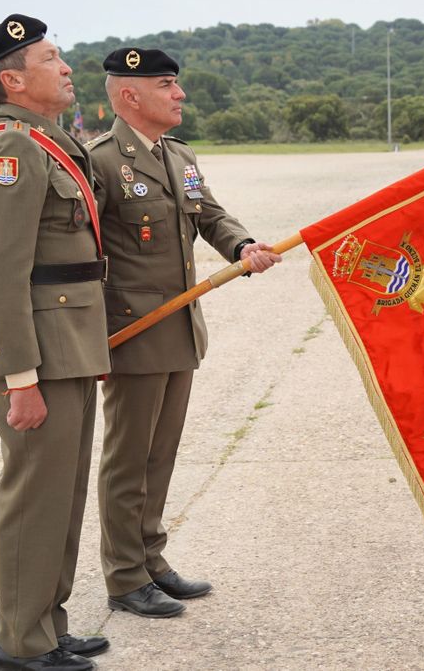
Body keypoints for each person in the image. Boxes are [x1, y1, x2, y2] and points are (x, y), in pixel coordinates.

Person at [87, 48, 281, 618]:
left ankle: (151, 560)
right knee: (129, 459)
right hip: (132, 332)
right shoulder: (100, 160)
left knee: (159, 456)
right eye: (167, 84)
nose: (180, 95)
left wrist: (242, 246)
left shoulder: (178, 155)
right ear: (130, 96)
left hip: (178, 327)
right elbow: (84, 251)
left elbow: (209, 216)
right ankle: (124, 577)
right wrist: (89, 334)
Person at [0, 14, 112, 670]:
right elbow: (1, 271)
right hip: (37, 359)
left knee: (63, 496)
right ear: (13, 79)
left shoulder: (46, 141)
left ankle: (48, 625)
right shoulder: (11, 149)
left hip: (69, 348)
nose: (68, 67)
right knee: (32, 501)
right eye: (53, 58)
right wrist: (18, 375)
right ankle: (20, 645)